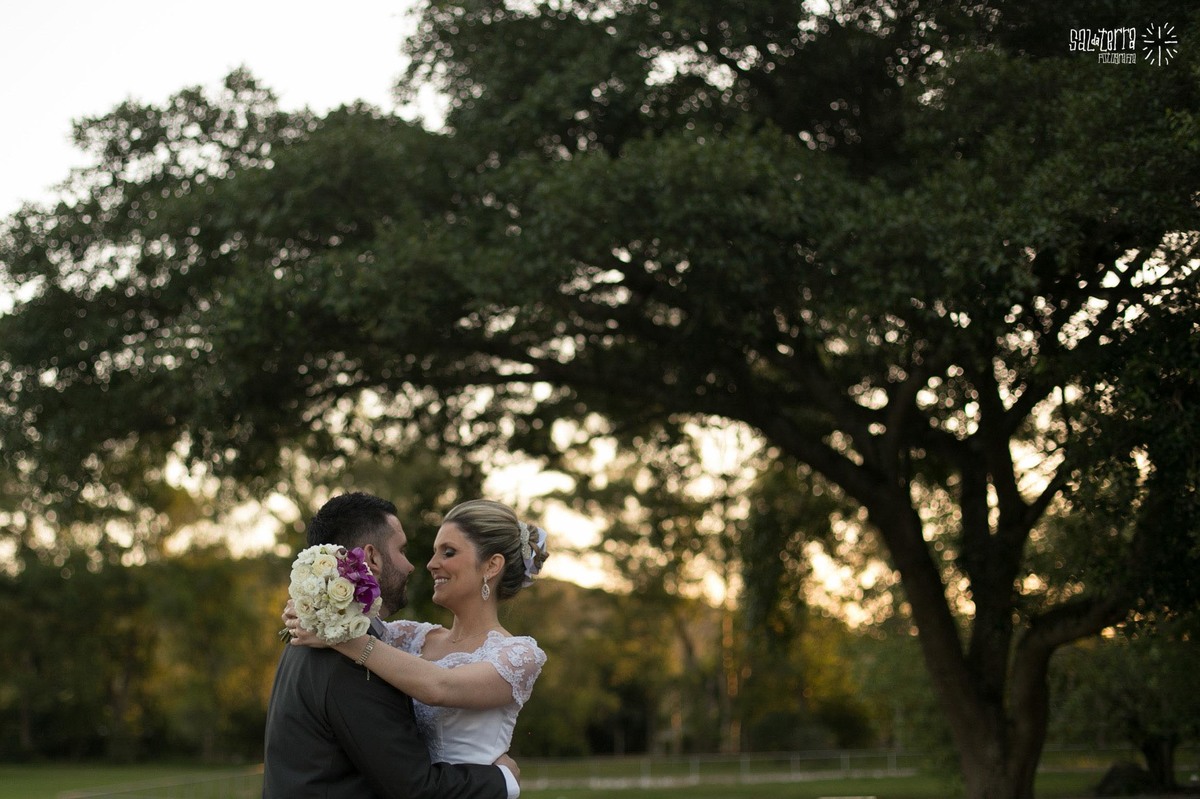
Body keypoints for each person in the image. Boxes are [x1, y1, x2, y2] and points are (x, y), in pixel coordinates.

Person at [263, 492, 521, 799]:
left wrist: (328, 622)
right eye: (403, 550)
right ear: (372, 557)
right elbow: (414, 788)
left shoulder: (341, 638)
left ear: (492, 566)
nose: (417, 566)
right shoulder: (345, 651)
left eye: (448, 552)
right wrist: (503, 779)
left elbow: (440, 685)